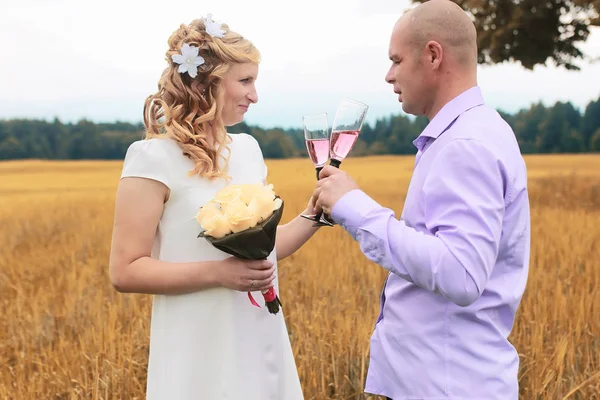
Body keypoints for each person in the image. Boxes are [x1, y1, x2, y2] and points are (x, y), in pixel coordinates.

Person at [312, 0, 530, 399]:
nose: (389, 75)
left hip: (448, 384)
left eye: (396, 60)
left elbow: (462, 273)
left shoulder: (465, 144)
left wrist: (355, 208)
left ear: (432, 55)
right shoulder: (467, 133)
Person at [109, 15, 317, 400]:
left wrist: (314, 216)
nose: (254, 95)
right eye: (245, 81)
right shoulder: (151, 158)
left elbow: (262, 250)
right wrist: (220, 274)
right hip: (196, 342)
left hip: (258, 332)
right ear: (206, 84)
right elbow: (125, 271)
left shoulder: (249, 149)